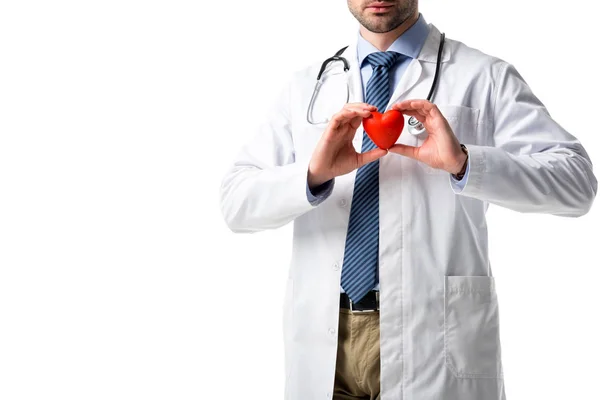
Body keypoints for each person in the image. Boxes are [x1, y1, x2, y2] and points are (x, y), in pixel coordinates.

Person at [219, 1, 597, 399]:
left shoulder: (483, 76)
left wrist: (466, 163)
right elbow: (236, 202)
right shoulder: (308, 86)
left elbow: (576, 183)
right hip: (326, 342)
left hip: (433, 338)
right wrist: (313, 175)